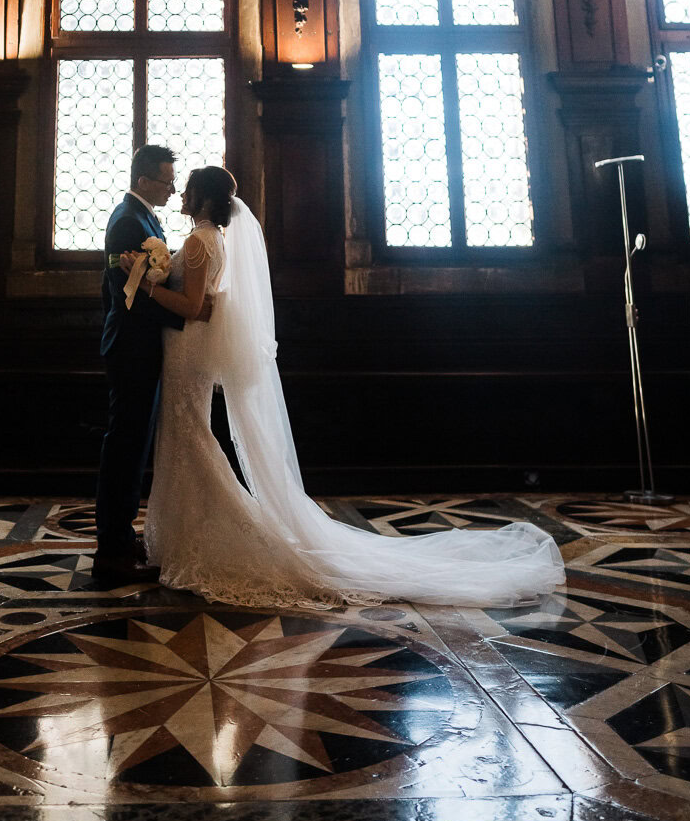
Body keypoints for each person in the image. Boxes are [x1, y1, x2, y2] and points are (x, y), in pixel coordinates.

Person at [125, 165, 565, 609]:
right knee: (187, 436)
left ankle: (216, 538)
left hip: (187, 352)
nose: (180, 193)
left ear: (202, 197)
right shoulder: (213, 239)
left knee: (189, 438)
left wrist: (146, 285)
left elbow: (193, 306)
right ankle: (185, 537)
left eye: (188, 188)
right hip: (186, 351)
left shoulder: (199, 242)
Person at [93, 144, 185, 585]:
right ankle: (112, 549)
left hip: (134, 345)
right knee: (126, 446)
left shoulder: (139, 217)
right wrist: (188, 313)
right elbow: (130, 296)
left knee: (132, 444)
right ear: (144, 180)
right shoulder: (130, 220)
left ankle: (120, 537)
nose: (172, 188)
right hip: (132, 348)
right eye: (166, 180)